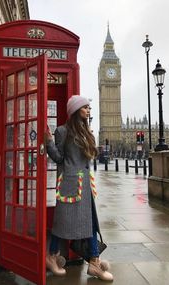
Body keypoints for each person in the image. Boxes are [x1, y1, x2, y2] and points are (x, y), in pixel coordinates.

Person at [45, 95, 113, 281]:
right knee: (61, 223)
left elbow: (91, 157)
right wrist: (49, 142)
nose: (88, 110)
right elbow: (59, 158)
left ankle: (94, 262)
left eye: (89, 107)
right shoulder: (62, 131)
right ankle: (51, 257)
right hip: (69, 183)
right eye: (85, 107)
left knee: (90, 222)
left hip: (85, 185)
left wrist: (89, 137)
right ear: (75, 110)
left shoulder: (85, 131)